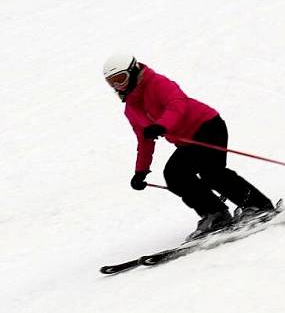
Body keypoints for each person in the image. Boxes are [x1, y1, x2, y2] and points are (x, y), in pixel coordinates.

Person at [103, 52, 274, 240]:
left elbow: (177, 103)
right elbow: (144, 140)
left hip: (207, 126)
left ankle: (258, 205)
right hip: (187, 141)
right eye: (112, 82)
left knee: (212, 173)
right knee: (175, 175)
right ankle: (215, 214)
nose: (118, 86)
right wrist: (141, 171)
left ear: (134, 71)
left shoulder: (156, 83)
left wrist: (162, 124)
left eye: (120, 78)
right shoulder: (131, 108)